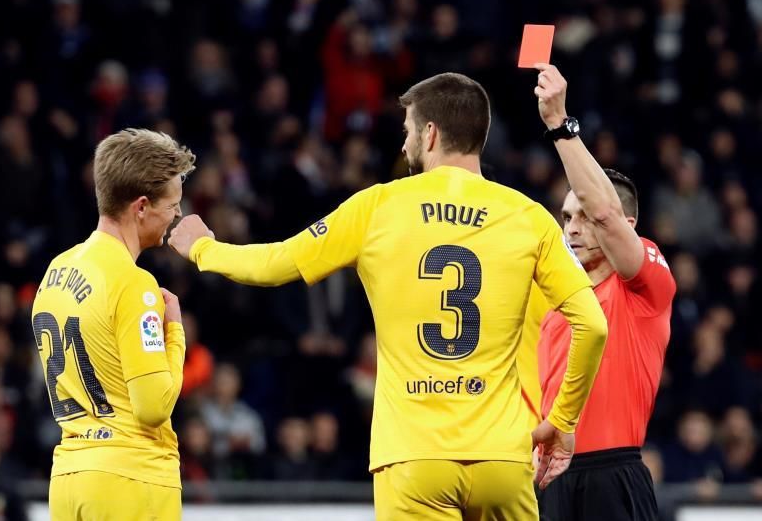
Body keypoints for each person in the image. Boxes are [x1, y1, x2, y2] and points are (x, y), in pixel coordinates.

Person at [169, 72, 609, 520]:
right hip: (502, 456)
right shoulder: (529, 216)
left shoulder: (377, 207)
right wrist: (563, 422)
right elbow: (592, 326)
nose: (404, 145)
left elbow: (273, 264)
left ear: (430, 133)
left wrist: (203, 248)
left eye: (407, 131)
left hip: (413, 457)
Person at [533, 64, 676, 521]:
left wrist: (560, 124)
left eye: (584, 217)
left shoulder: (645, 284)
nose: (572, 228)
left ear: (628, 226)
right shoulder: (554, 300)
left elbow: (607, 214)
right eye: (566, 216)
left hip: (613, 476)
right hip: (550, 479)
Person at [31, 129, 194, 520]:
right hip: (130, 480)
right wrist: (176, 333)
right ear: (141, 207)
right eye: (172, 205)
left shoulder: (57, 269)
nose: (177, 216)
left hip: (70, 476)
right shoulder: (134, 285)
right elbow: (153, 407)